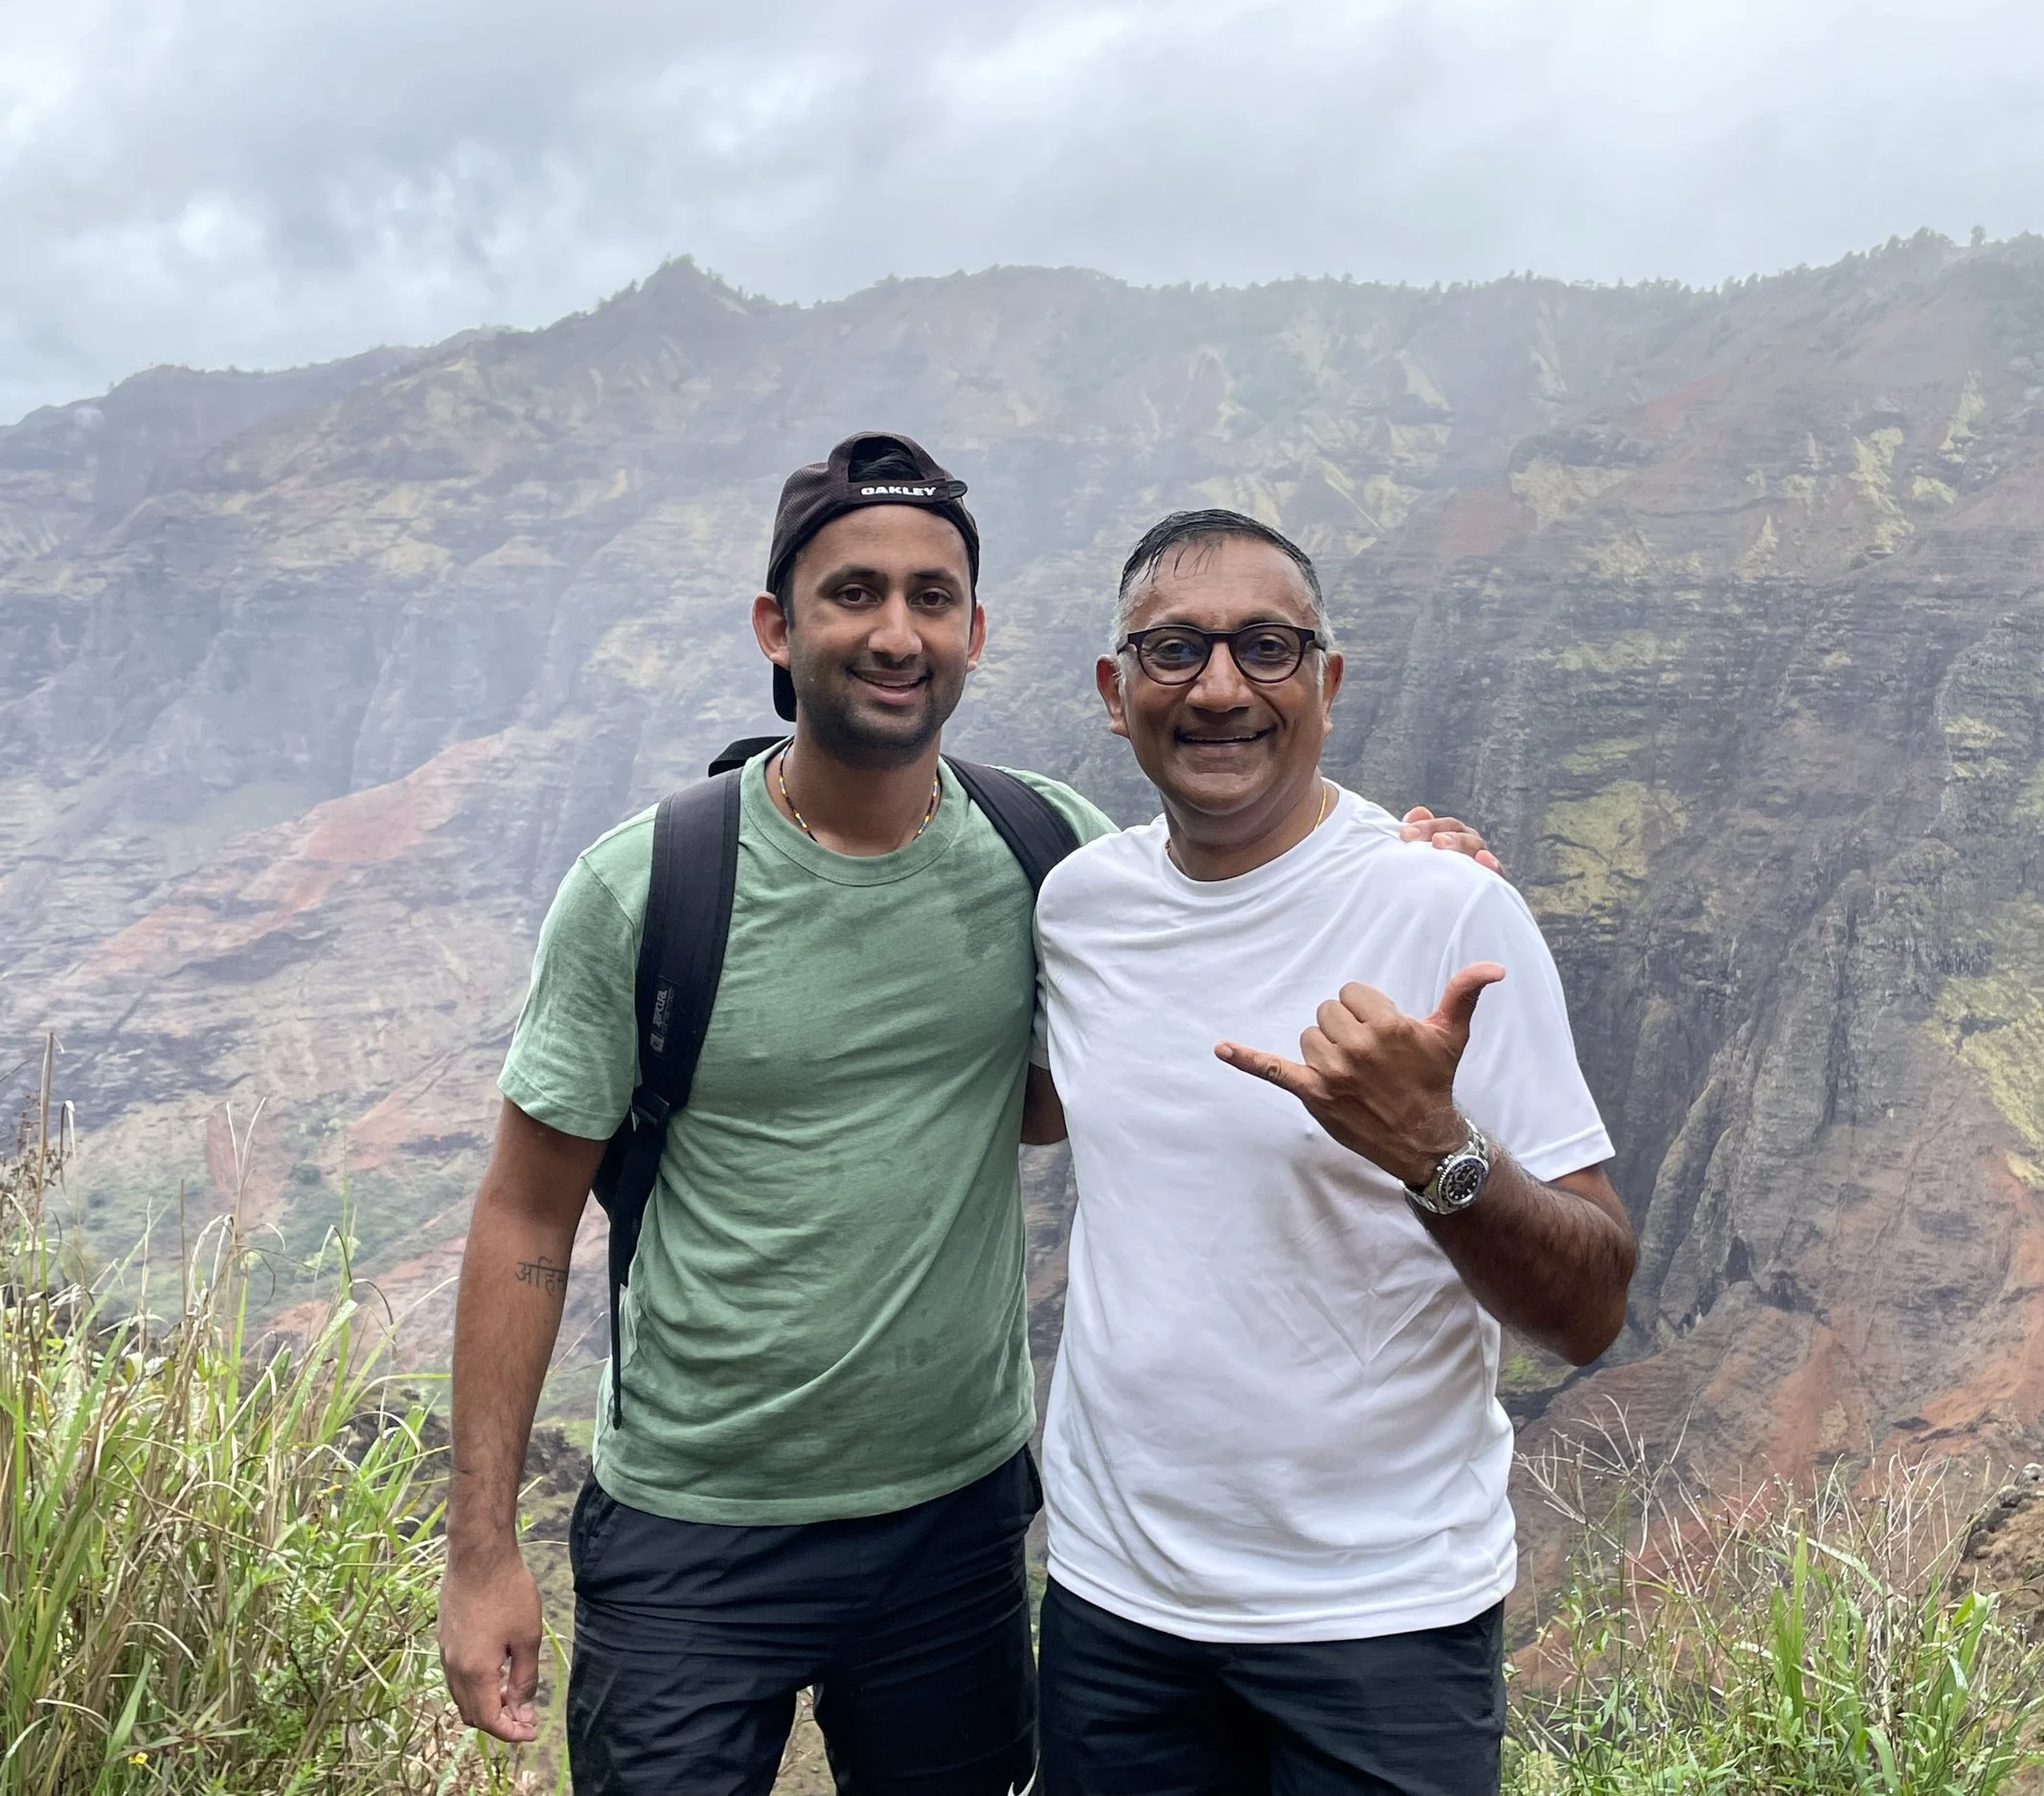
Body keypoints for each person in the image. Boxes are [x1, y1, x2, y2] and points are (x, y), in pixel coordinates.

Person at [437, 438, 1494, 1796]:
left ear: (977, 631)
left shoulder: (1042, 852)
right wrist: (481, 1553)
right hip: (693, 1531)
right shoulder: (648, 886)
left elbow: (1196, 952)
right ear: (778, 624)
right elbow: (525, 1212)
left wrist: (1411, 882)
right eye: (854, 593)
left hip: (954, 1530)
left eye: (932, 598)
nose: (896, 631)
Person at [1031, 510, 1641, 1796]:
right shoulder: (1078, 910)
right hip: (1114, 1611)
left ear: (1327, 680)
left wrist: (1436, 1152)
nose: (1217, 688)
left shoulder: (1448, 908)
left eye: (1266, 647)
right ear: (1112, 689)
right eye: (1173, 650)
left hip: (1379, 1623)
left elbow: (1591, 1306)